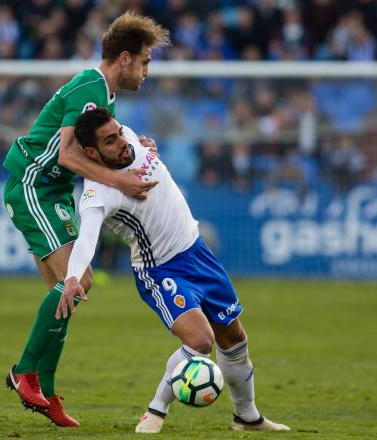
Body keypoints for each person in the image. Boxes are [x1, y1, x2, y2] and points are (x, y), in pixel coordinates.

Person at [56, 108, 290, 433]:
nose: (122, 141)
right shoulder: (97, 193)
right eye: (111, 140)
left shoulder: (128, 139)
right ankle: (156, 410)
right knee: (200, 340)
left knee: (233, 337)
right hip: (161, 270)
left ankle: (246, 417)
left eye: (119, 133)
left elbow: (107, 119)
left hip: (197, 250)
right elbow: (87, 238)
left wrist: (140, 143)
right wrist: (71, 278)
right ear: (93, 153)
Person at [2, 12, 170, 427]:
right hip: (34, 184)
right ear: (125, 58)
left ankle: (45, 390)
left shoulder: (104, 95)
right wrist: (120, 181)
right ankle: (23, 372)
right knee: (81, 280)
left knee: (66, 294)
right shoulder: (91, 89)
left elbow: (100, 143)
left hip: (53, 190)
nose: (148, 71)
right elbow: (67, 155)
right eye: (146, 62)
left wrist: (135, 146)